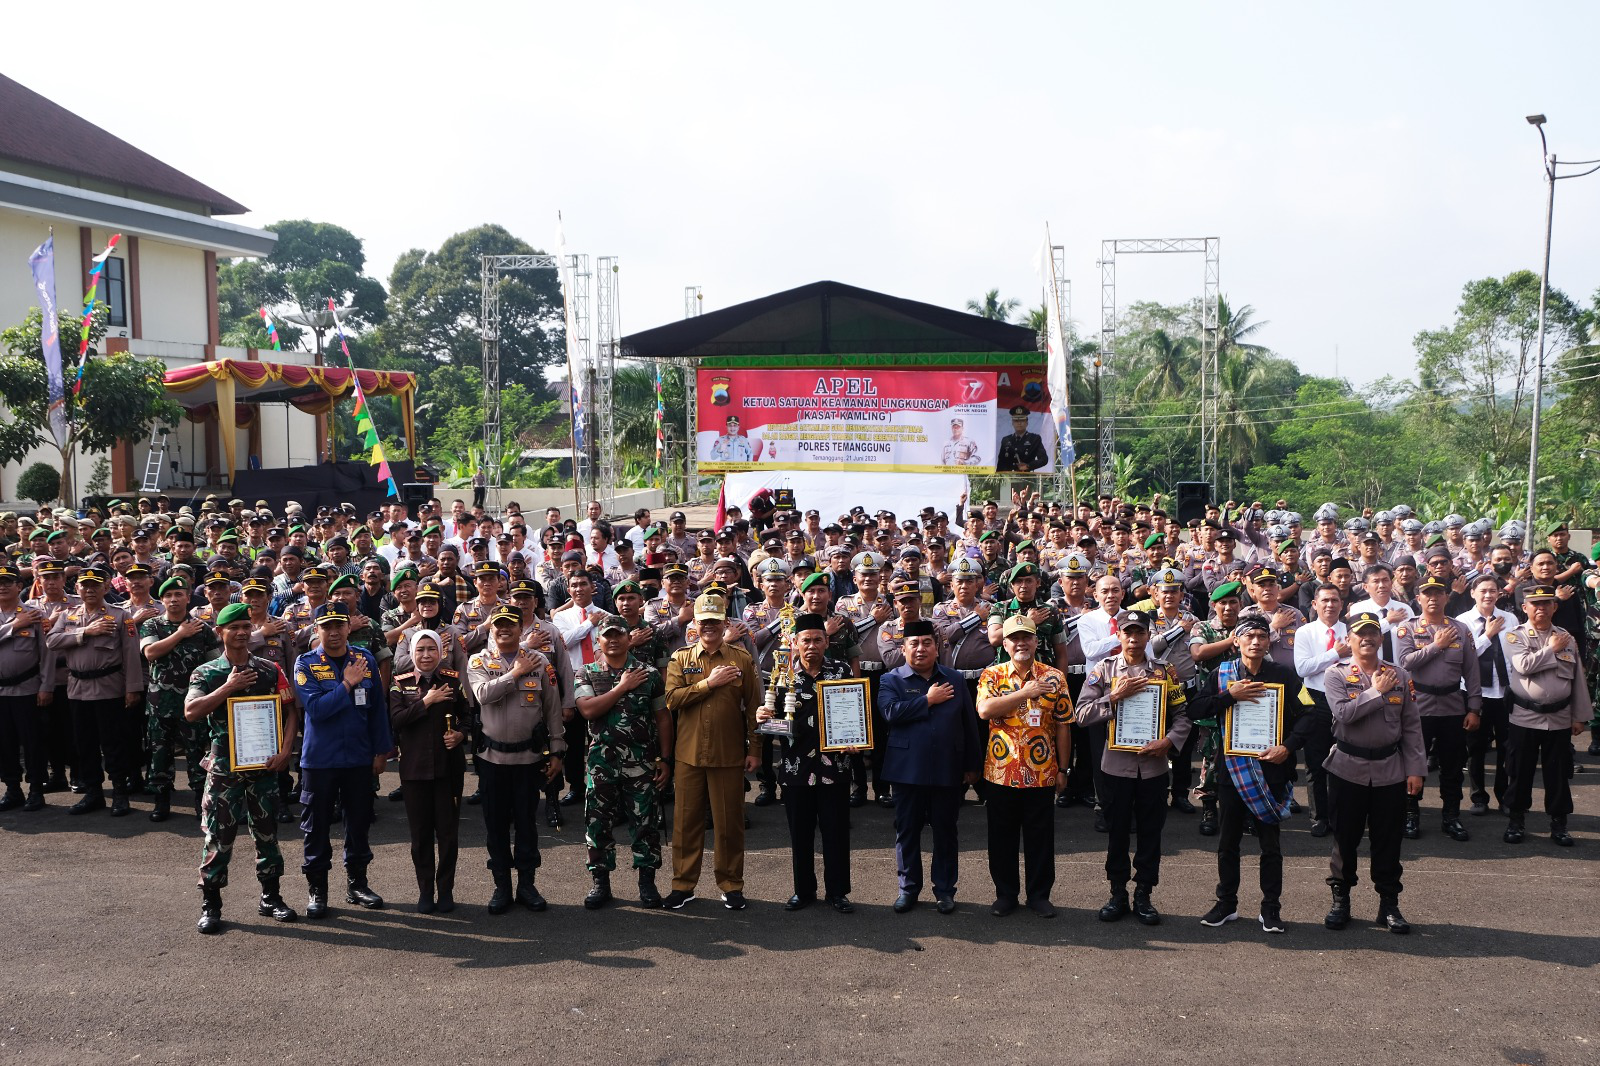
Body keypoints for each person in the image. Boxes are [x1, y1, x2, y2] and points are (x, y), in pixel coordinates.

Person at [183, 603, 300, 934]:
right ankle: (211, 905)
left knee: (267, 833)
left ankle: (271, 897)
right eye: (234, 627)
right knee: (218, 836)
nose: (242, 633)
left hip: (263, 764)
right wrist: (228, 688)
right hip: (224, 767)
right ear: (220, 632)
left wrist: (285, 750)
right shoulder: (206, 673)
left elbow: (291, 711)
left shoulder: (269, 669)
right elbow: (191, 711)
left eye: (246, 627)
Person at [1191, 616, 1312, 935]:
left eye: (1262, 636)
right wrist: (1231, 696)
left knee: (1270, 845)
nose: (1256, 641)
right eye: (1249, 636)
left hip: (1271, 769)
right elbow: (1197, 709)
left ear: (1269, 641)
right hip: (1232, 770)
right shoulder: (1222, 674)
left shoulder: (1285, 675)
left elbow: (1312, 713)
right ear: (1237, 641)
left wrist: (1288, 747)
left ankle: (1271, 908)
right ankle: (1226, 903)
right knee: (1228, 842)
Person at [1074, 609, 1191, 925]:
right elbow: (1081, 714)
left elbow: (1182, 716)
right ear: (1119, 634)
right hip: (1116, 767)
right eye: (1128, 632)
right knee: (1117, 833)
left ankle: (1144, 894)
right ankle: (1117, 893)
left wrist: (1168, 742)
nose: (1134, 638)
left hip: (1153, 767)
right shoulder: (1104, 670)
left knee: (1151, 833)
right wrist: (1112, 697)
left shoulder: (1166, 671)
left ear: (1147, 635)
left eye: (1140, 632)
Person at [1322, 612, 1426, 934]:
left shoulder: (1400, 674)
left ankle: (1389, 905)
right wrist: (1375, 692)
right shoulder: (1335, 674)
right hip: (1347, 769)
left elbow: (1411, 725)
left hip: (1390, 770)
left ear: (1381, 639)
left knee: (1388, 839)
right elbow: (1343, 714)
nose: (1366, 638)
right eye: (1360, 634)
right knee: (1345, 837)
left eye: (1373, 633)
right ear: (1349, 639)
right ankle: (1341, 900)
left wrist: (1416, 769)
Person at [292, 602, 393, 918]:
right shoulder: (305, 663)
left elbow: (377, 709)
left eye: (339, 625)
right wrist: (347, 682)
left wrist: (381, 752)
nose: (333, 632)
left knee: (359, 823)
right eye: (326, 626)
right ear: (316, 629)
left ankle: (357, 883)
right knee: (317, 826)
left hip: (359, 758)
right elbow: (317, 710)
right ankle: (317, 890)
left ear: (349, 628)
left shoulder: (364, 660)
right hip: (320, 760)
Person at [662, 593, 761, 911]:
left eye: (715, 621)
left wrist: (755, 748)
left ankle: (731, 885)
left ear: (725, 623)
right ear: (695, 623)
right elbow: (672, 700)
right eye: (703, 621)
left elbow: (754, 708)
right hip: (688, 754)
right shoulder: (681, 659)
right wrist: (709, 683)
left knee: (729, 823)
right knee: (685, 823)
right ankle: (683, 885)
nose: (709, 627)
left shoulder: (741, 659)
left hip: (728, 753)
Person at [879, 618, 982, 913]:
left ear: (937, 647)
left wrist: (972, 764)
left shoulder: (955, 679)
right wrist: (928, 700)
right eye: (914, 644)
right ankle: (908, 889)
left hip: (947, 768)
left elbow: (968, 725)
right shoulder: (891, 679)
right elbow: (890, 712)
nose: (921, 649)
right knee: (907, 831)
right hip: (906, 770)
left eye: (927, 643)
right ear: (904, 648)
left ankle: (945, 890)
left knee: (946, 831)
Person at [759, 612, 859, 912]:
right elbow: (772, 721)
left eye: (818, 639)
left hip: (835, 768)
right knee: (800, 835)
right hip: (795, 770)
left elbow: (854, 713)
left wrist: (856, 738)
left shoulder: (841, 671)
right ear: (795, 643)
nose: (812, 645)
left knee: (836, 832)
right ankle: (803, 890)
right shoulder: (782, 676)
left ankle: (838, 892)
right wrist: (762, 718)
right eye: (806, 640)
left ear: (827, 642)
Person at [468, 605, 565, 913]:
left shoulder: (541, 662)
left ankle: (526, 884)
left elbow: (552, 708)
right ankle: (501, 886)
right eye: (499, 625)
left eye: (510, 624)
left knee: (526, 824)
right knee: (495, 825)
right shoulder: (478, 660)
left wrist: (558, 749)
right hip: (492, 760)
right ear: (492, 629)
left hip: (528, 758)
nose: (504, 629)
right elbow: (483, 694)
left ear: (520, 627)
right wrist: (515, 673)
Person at [976, 615, 1072, 918]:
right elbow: (985, 710)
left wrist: (1063, 769)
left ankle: (1039, 895)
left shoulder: (1054, 677)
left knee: (1040, 838)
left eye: (1026, 637)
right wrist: (1025, 693)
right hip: (1001, 772)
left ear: (1035, 641)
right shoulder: (992, 675)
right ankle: (1005, 894)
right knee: (1001, 837)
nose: (1021, 643)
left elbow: (1063, 726)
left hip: (1042, 772)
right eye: (1014, 638)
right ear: (1004, 644)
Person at [574, 614, 671, 910]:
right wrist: (621, 688)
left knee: (646, 824)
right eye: (607, 635)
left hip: (641, 763)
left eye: (619, 635)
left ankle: (647, 882)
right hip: (601, 764)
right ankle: (600, 882)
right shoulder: (587, 673)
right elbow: (588, 710)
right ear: (598, 641)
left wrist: (666, 759)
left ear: (629, 639)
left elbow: (662, 717)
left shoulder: (649, 673)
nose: (613, 640)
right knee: (598, 825)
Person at [44, 565, 143, 816]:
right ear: (77, 588)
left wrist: (132, 688)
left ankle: (120, 793)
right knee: (84, 744)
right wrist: (85, 632)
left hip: (109, 687)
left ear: (106, 587)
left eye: (95, 585)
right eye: (84, 585)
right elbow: (52, 641)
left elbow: (131, 655)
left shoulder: (121, 616)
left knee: (113, 744)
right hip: (77, 689)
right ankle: (93, 793)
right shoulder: (68, 616)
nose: (89, 589)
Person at [1395, 575, 1482, 841]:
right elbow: (1405, 662)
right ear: (1418, 598)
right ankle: (1411, 815)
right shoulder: (1406, 629)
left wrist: (1474, 707)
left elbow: (1472, 671)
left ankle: (1451, 816)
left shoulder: (1461, 629)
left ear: (1446, 597)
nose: (1433, 598)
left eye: (1438, 593)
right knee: (1414, 763)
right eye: (1427, 594)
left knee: (1453, 765)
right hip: (1417, 707)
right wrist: (1437, 645)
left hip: (1453, 706)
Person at [388, 629, 469, 913]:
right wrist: (426, 702)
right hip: (414, 770)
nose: (425, 655)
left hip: (448, 770)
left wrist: (460, 735)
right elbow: (396, 721)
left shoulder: (452, 681)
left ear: (440, 652)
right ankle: (425, 891)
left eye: (431, 649)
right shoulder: (401, 684)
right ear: (411, 653)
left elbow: (470, 718)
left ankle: (445, 890)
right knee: (420, 835)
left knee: (447, 834)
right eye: (420, 650)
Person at [1503, 585, 1590, 847]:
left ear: (1555, 607)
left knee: (1558, 774)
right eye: (1535, 604)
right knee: (1520, 772)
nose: (1541, 608)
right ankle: (1516, 821)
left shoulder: (1567, 637)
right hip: (1525, 716)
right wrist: (1551, 650)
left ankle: (1559, 824)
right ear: (1525, 607)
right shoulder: (1514, 636)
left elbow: (1578, 681)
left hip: (1560, 718)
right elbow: (1523, 666)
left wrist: (1579, 716)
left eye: (1546, 603)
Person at [140, 576, 221, 822]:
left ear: (188, 598)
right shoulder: (152, 625)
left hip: (193, 702)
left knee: (196, 752)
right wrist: (180, 633)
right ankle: (161, 800)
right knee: (160, 753)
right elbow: (150, 653)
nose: (173, 600)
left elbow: (214, 664)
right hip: (160, 701)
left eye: (178, 595)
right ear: (162, 599)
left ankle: (200, 799)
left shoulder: (203, 628)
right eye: (168, 596)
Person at [1458, 573, 1516, 816]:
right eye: (1483, 591)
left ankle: (1504, 796)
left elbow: (1515, 653)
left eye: (1493, 590)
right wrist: (1488, 635)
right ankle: (1478, 796)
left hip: (1505, 692)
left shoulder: (1510, 618)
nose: (1488, 595)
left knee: (1507, 747)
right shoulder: (1463, 621)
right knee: (1476, 748)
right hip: (1475, 694)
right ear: (1473, 593)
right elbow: (1465, 656)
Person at [1293, 584, 1348, 837]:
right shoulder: (1305, 632)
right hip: (1314, 699)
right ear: (1314, 604)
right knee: (1315, 763)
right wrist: (1335, 653)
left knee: (1344, 761)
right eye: (1324, 600)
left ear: (1342, 604)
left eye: (1334, 600)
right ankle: (1319, 817)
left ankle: (1341, 814)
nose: (1330, 605)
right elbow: (1303, 669)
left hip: (1346, 700)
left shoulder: (1351, 631)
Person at [0, 560, 55, 812]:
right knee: (4, 742)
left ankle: (35, 789)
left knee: (32, 742)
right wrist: (13, 626)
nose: (2, 587)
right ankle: (12, 789)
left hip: (28, 688)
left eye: (7, 582)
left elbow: (47, 654)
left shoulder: (35, 614)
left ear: (18, 585)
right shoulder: (19, 620)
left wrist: (46, 686)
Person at [995, 405, 1048, 473]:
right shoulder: (1006, 440)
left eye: (1022, 420)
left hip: (1026, 477)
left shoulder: (1034, 439)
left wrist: (1028, 466)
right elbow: (1001, 463)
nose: (1019, 423)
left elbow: (1044, 459)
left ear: (1027, 423)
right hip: (1008, 477)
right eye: (1016, 421)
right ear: (1012, 423)